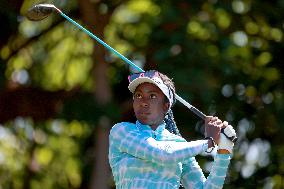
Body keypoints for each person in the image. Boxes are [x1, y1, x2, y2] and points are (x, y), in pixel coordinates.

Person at [108, 70, 236, 189]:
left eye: (152, 96)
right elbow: (161, 153)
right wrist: (210, 141)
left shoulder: (179, 145)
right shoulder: (121, 131)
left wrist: (225, 149)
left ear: (166, 105)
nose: (143, 102)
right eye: (139, 95)